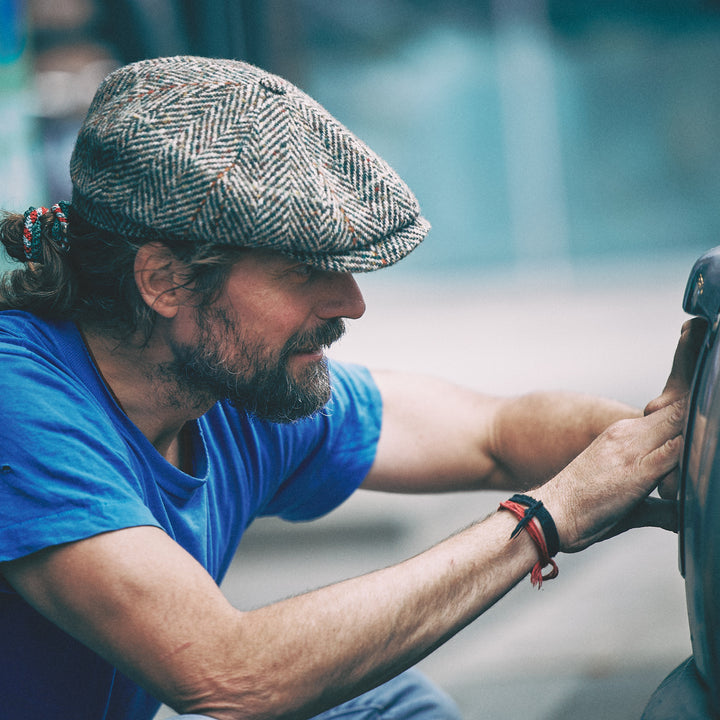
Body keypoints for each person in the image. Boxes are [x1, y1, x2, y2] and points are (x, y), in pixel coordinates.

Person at [0, 55, 693, 720]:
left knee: (386, 709)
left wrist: (672, 445)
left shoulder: (223, 385)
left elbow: (492, 436)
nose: (351, 303)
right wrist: (546, 519)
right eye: (304, 270)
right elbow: (229, 674)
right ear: (165, 280)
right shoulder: (20, 402)